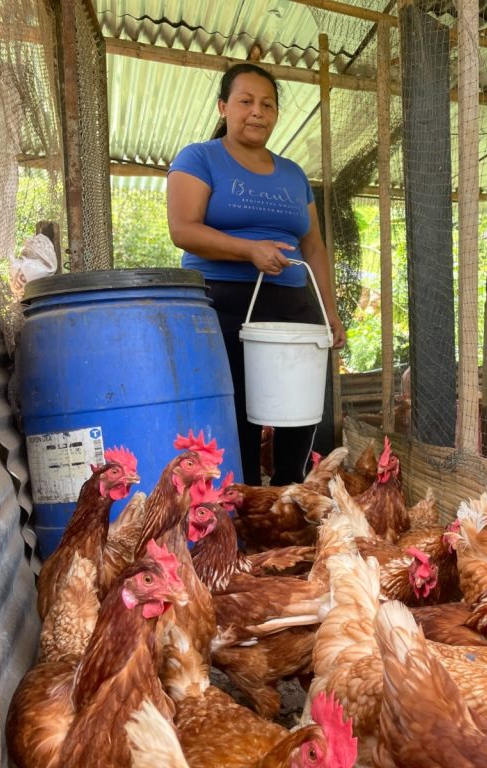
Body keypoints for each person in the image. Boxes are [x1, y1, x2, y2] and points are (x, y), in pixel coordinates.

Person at [167, 62, 345, 486]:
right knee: (238, 407)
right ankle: (240, 499)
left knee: (298, 405)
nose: (257, 112)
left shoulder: (293, 175)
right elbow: (183, 230)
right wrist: (250, 250)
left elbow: (313, 245)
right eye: (245, 101)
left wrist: (329, 312)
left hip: (290, 301)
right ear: (223, 107)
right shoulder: (199, 158)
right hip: (221, 301)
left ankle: (288, 495)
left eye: (267, 104)